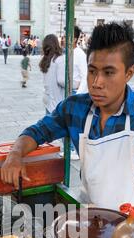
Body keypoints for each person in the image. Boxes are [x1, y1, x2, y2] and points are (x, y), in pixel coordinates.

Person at [0, 21, 134, 215]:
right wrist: (15, 154)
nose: (96, 83)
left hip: (129, 226)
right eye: (92, 71)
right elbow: (37, 132)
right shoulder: (74, 108)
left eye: (109, 73)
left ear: (129, 73)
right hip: (87, 218)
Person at [57, 25, 88, 160]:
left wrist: (78, 96)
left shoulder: (80, 54)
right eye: (62, 36)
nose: (62, 39)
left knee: (74, 122)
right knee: (66, 121)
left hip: (75, 92)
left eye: (65, 36)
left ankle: (75, 150)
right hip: (67, 91)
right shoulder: (68, 52)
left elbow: (85, 76)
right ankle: (68, 148)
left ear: (74, 38)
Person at [39, 34, 65, 114]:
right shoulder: (59, 59)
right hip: (56, 98)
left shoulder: (45, 59)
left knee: (48, 121)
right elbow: (61, 81)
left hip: (47, 96)